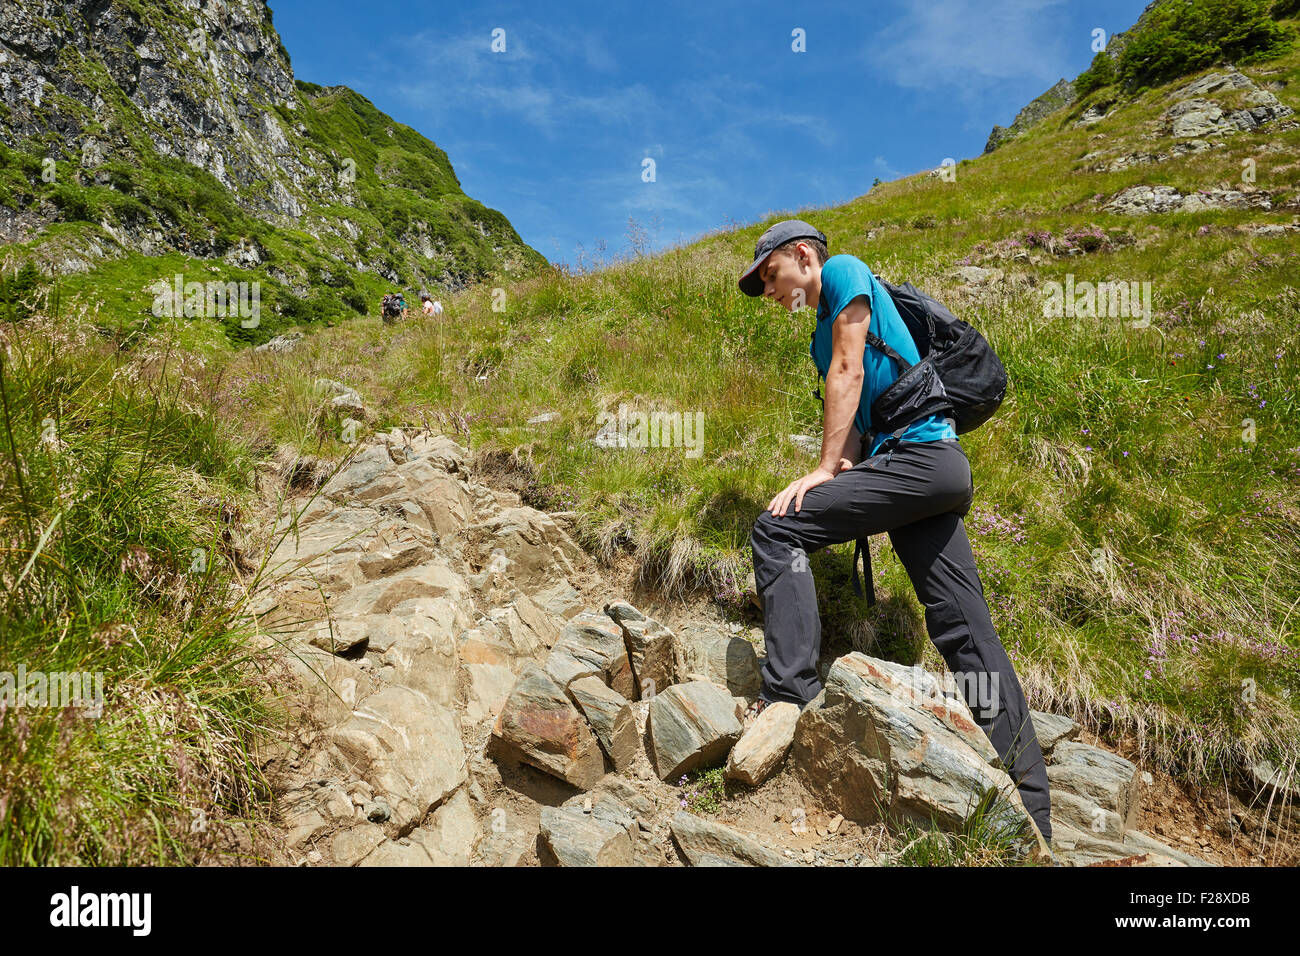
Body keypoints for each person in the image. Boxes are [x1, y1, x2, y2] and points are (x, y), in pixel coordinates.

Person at [737, 219, 1053, 845]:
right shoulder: (817, 341)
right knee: (966, 634)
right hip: (922, 474)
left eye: (770, 277)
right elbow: (857, 417)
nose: (770, 293)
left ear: (803, 256)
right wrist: (844, 462)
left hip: (921, 463)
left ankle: (788, 698)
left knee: (775, 531)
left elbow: (850, 373)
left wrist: (824, 470)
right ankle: (1033, 817)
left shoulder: (847, 271)